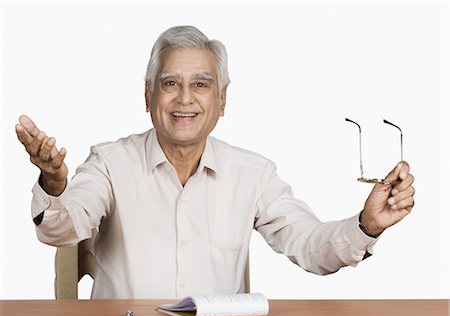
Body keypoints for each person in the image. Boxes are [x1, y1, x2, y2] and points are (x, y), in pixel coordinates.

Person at [15, 25, 415, 299]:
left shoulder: (253, 174)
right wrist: (53, 183)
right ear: (148, 96)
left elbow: (310, 246)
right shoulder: (109, 163)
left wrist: (367, 226)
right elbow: (63, 229)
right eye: (171, 84)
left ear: (222, 100)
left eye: (201, 85)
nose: (185, 99)